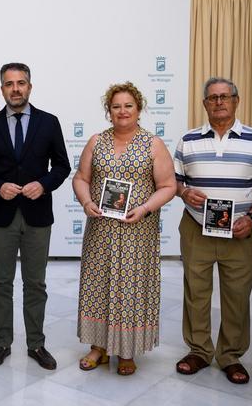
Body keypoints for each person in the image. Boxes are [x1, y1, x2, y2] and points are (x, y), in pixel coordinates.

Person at [0, 62, 71, 370]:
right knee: (1, 282)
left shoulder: (49, 123)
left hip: (38, 215)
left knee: (35, 283)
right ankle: (2, 342)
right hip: (1, 216)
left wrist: (44, 184)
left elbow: (62, 167)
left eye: (21, 83)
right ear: (2, 89)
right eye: (10, 84)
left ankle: (36, 345)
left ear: (30, 86)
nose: (16, 88)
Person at [173, 77, 252, 385]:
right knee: (196, 293)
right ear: (205, 104)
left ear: (236, 100)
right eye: (212, 98)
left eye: (224, 96)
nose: (218, 102)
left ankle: (230, 355)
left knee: (237, 296)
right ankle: (199, 351)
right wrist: (184, 192)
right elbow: (174, 181)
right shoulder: (187, 140)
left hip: (240, 230)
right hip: (196, 228)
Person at [72, 82, 176, 375]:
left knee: (130, 289)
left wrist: (144, 208)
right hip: (100, 231)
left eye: (128, 105)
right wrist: (85, 200)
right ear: (109, 111)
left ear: (139, 109)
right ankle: (98, 347)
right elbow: (80, 177)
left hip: (137, 232)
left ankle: (127, 350)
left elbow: (168, 186)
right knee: (98, 286)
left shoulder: (152, 143)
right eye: (116, 106)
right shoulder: (96, 141)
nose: (122, 111)